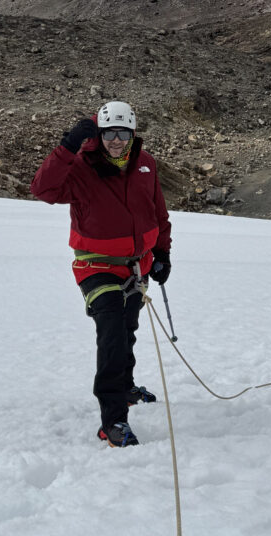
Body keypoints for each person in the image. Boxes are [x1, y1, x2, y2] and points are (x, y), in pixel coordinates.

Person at [31, 100, 172, 447]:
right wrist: (67, 147)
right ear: (99, 134)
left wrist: (162, 253)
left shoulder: (145, 166)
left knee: (127, 328)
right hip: (95, 264)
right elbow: (43, 189)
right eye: (109, 133)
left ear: (132, 133)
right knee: (111, 333)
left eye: (123, 133)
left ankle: (125, 387)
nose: (116, 141)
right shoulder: (81, 167)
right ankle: (113, 421)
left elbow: (158, 212)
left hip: (136, 264)